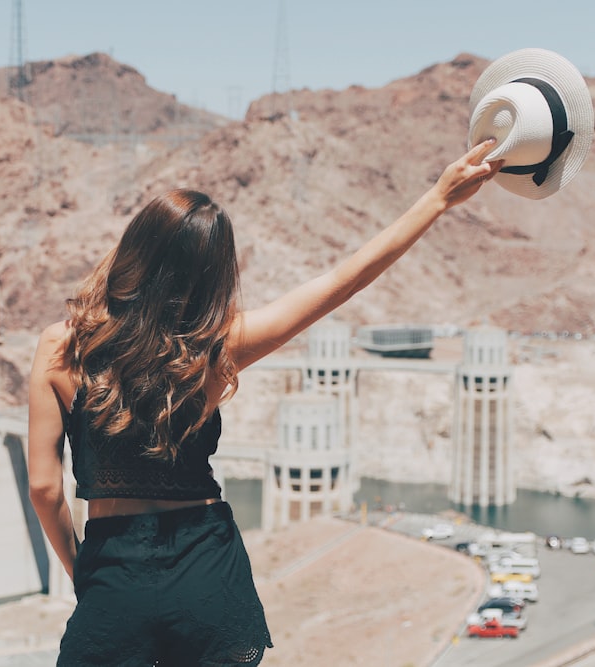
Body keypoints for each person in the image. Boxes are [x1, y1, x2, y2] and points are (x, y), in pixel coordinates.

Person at [27, 138, 502, 666]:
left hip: (115, 571)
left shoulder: (60, 346)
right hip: (207, 568)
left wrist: (85, 572)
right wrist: (436, 197)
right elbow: (342, 281)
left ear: (134, 249)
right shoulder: (212, 348)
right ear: (211, 273)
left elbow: (45, 490)